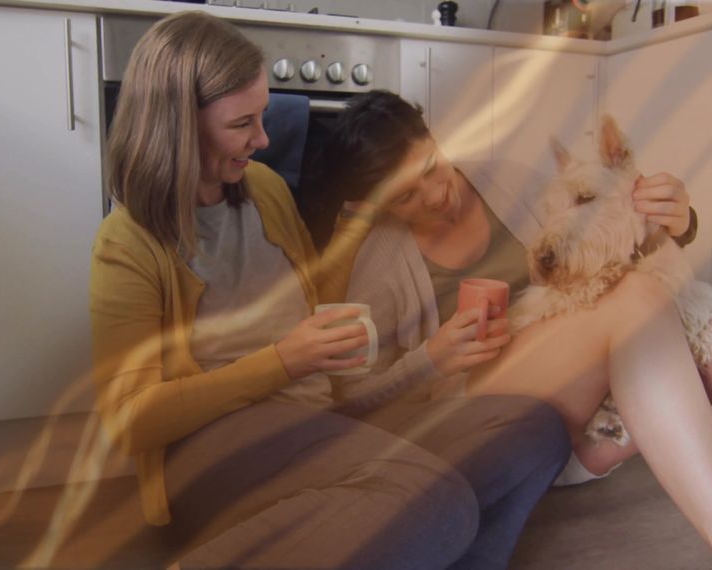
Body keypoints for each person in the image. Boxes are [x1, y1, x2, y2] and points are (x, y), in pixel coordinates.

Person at [90, 12, 569, 569]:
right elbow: (129, 420)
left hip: (319, 422)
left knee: (533, 431)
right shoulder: (127, 243)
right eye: (242, 123)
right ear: (179, 126)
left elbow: (317, 305)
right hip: (214, 448)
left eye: (263, 116)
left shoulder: (263, 190)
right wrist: (283, 363)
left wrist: (358, 232)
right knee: (435, 501)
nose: (264, 139)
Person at [312, 90, 712, 569]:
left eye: (432, 165)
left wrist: (680, 219)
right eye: (406, 195)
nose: (434, 194)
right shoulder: (381, 261)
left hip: (603, 407)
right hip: (488, 420)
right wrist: (431, 357)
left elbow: (621, 240)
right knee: (643, 298)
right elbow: (350, 397)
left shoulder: (511, 182)